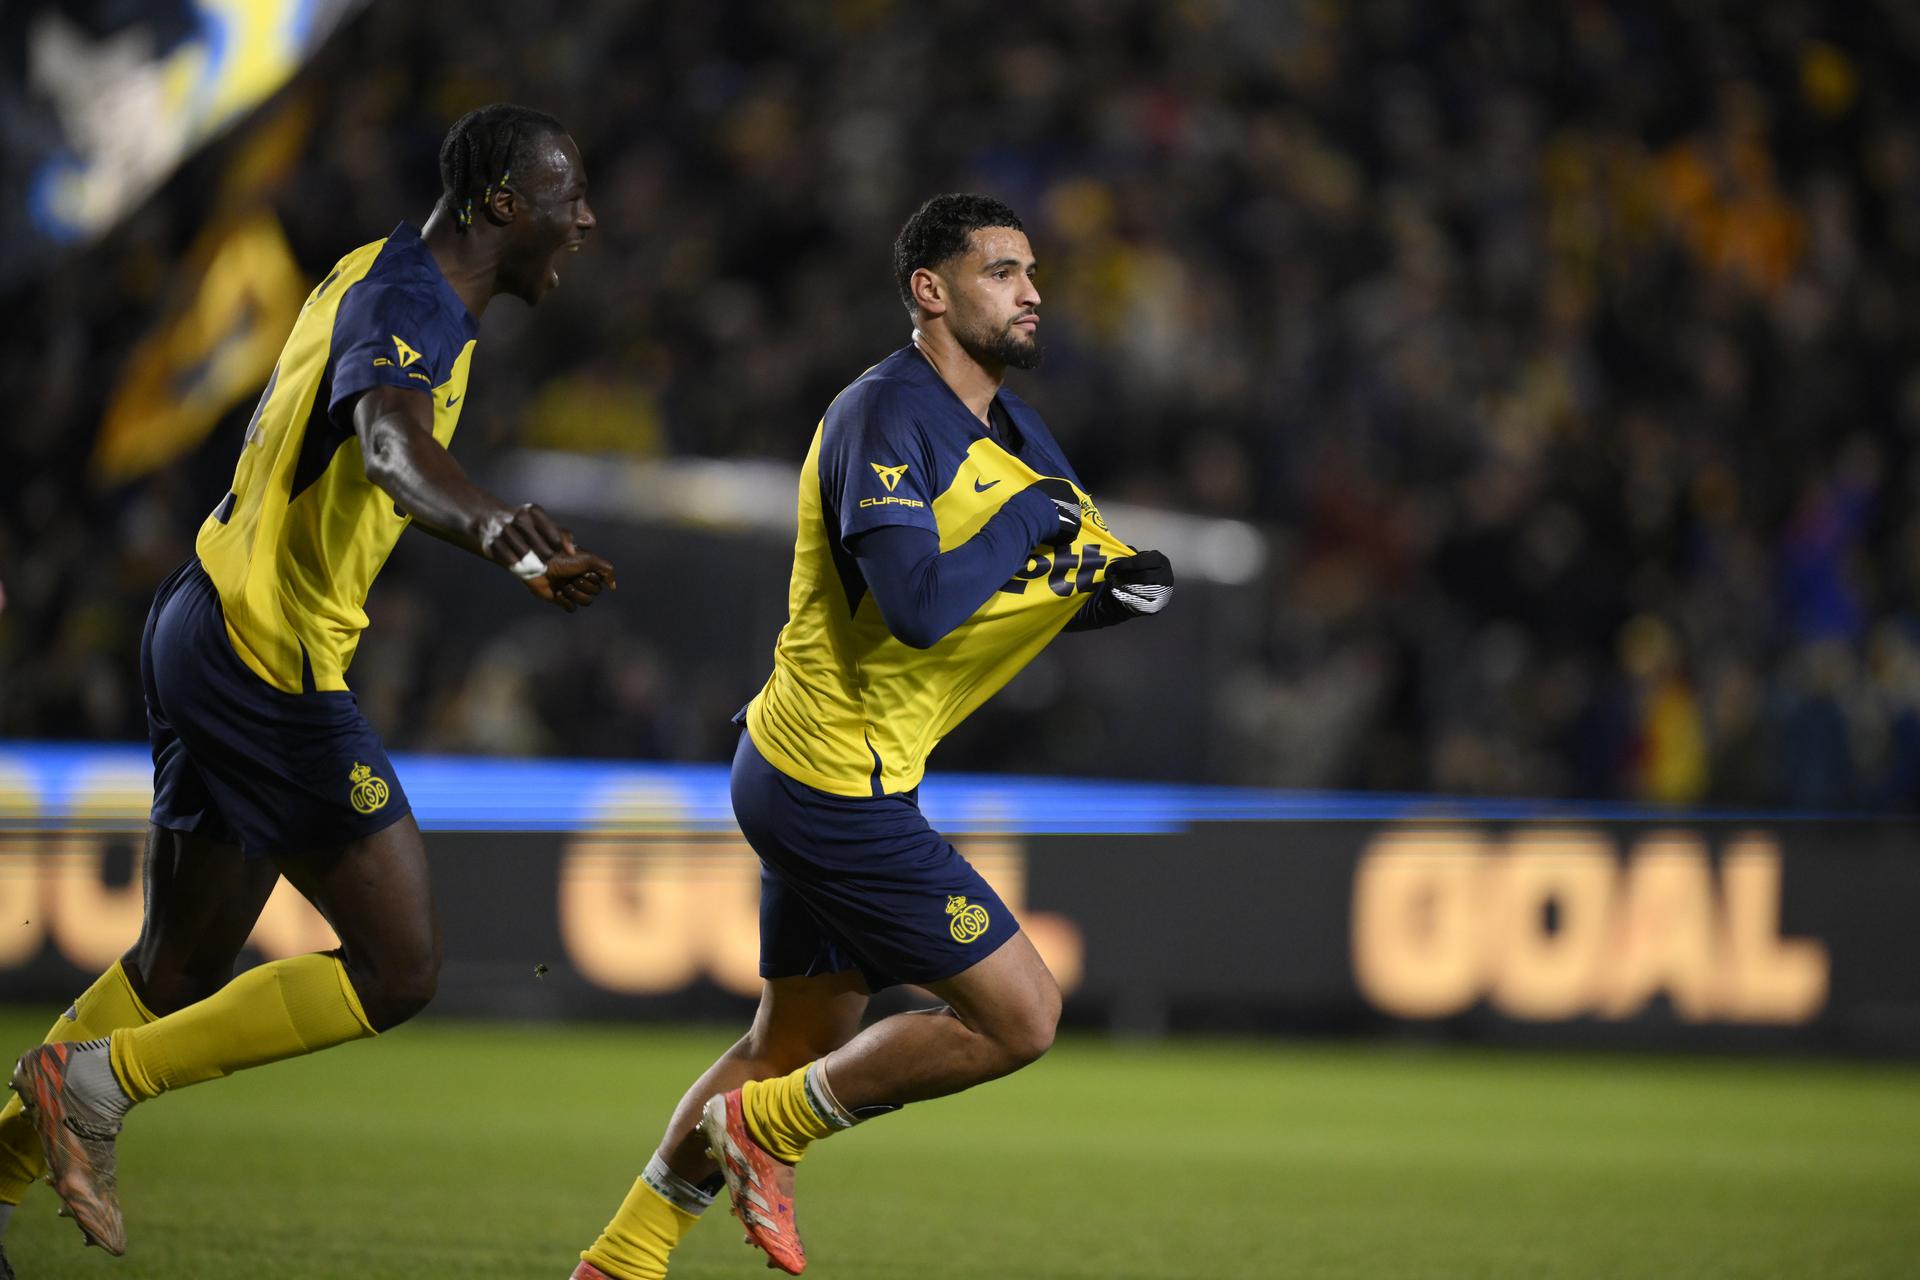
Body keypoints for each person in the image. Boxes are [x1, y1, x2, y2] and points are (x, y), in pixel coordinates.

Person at [0, 103, 614, 1267]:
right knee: (400, 967)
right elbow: (388, 447)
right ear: (500, 206)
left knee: (176, 967)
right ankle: (94, 1082)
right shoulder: (411, 304)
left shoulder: (378, 270)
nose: (583, 218)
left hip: (204, 617)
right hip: (261, 659)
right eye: (564, 195)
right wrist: (502, 534)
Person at [572, 193, 1175, 1279]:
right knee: (1019, 1014)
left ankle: (617, 1261)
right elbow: (922, 602)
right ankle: (773, 1129)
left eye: (1034, 272)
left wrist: (1108, 591)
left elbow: (1032, 578)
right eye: (1003, 271)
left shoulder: (1021, 433)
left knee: (784, 1045)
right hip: (825, 779)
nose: (1034, 291)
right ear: (929, 291)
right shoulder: (882, 416)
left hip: (845, 773)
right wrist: (1028, 524)